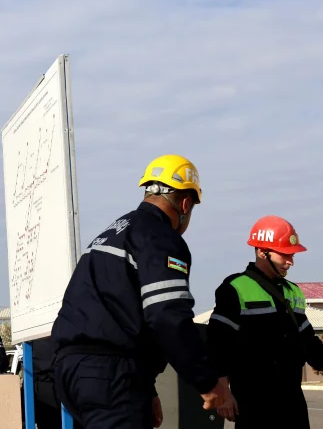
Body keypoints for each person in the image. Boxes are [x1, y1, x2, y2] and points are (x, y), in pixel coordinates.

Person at [51, 154, 237, 428]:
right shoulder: (160, 238)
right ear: (186, 203)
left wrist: (146, 389)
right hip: (110, 374)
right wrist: (207, 382)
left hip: (71, 372)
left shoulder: (112, 232)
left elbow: (116, 314)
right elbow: (166, 316)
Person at [207, 215, 323, 429]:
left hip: (292, 400)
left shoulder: (293, 291)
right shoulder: (235, 288)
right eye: (285, 254)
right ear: (262, 251)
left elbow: (308, 341)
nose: (291, 261)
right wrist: (223, 391)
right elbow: (217, 343)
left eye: (292, 254)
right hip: (254, 402)